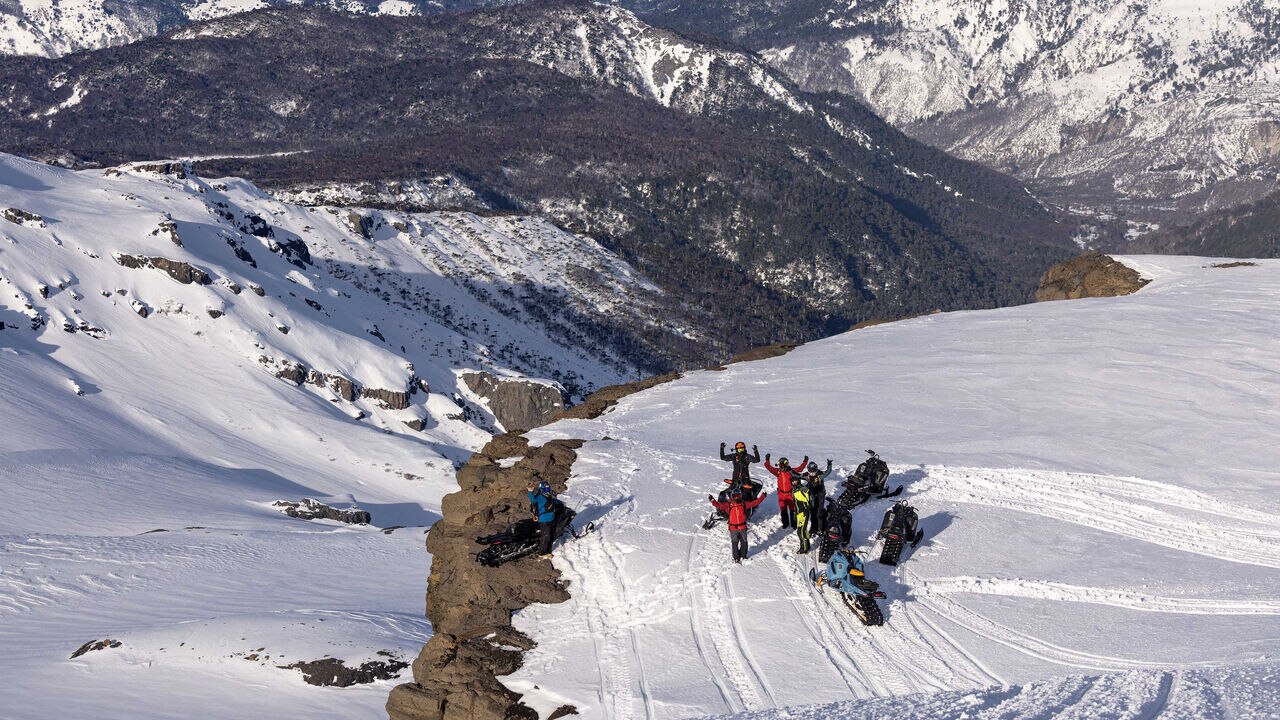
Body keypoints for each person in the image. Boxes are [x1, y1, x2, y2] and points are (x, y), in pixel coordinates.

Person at [708, 486, 768, 563]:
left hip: (742, 527)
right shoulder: (728, 505)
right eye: (735, 496)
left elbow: (754, 503)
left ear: (741, 496)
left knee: (744, 542)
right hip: (733, 528)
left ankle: (743, 555)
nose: (737, 498)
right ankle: (736, 557)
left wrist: (763, 496)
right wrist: (712, 500)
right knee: (735, 543)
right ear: (732, 497)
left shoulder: (744, 504)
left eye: (738, 496)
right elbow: (718, 505)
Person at [764, 453, 808, 529]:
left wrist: (805, 461)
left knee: (792, 510)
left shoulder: (791, 471)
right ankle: (785, 523)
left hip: (790, 494)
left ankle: (794, 524)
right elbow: (769, 467)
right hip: (781, 494)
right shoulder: (778, 472)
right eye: (781, 465)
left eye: (783, 465)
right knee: (783, 510)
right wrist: (767, 460)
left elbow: (800, 469)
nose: (782, 467)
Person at [527, 480, 562, 559]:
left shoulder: (548, 496)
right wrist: (530, 492)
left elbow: (553, 501)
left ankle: (548, 551)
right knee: (545, 536)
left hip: (551, 519)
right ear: (542, 488)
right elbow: (533, 500)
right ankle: (542, 553)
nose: (548, 489)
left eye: (548, 488)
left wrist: (561, 503)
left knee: (551, 535)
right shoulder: (539, 496)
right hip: (544, 520)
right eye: (546, 488)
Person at [805, 460, 833, 534]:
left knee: (819, 512)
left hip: (820, 494)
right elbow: (797, 476)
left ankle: (820, 529)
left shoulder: (820, 474)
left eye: (813, 471)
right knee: (812, 511)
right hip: (811, 494)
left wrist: (829, 464)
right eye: (810, 471)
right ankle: (813, 528)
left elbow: (827, 472)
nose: (812, 473)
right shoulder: (806, 475)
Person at [793, 475, 813, 554]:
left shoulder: (801, 489)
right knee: (803, 530)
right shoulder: (795, 490)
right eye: (792, 481)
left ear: (798, 481)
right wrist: (795, 514)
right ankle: (807, 545)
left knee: (800, 531)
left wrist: (809, 480)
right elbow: (795, 504)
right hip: (799, 514)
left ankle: (803, 548)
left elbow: (807, 489)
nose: (794, 483)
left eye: (795, 481)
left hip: (803, 513)